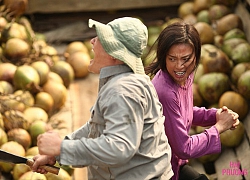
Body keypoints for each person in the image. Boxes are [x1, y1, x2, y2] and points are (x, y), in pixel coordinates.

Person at [31, 17, 174, 180]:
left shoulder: (123, 91)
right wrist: (58, 153)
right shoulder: (125, 83)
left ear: (115, 54)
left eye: (100, 39)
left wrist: (62, 148)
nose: (92, 41)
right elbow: (96, 128)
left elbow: (119, 148)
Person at [145, 21, 239, 180]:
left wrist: (214, 115)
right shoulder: (165, 91)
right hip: (161, 170)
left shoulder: (183, 77)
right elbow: (184, 148)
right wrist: (219, 127)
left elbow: (184, 112)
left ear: (196, 56)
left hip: (174, 163)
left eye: (186, 59)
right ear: (163, 57)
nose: (179, 66)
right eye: (172, 59)